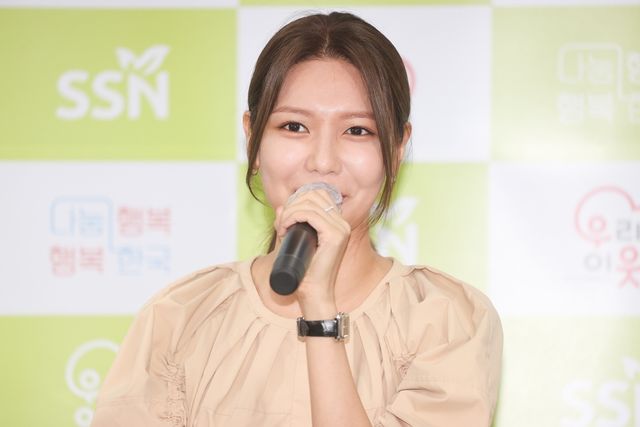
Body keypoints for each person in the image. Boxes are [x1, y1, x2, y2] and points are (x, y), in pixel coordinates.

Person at [91, 11, 502, 427]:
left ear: (396, 149)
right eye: (294, 126)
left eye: (357, 130)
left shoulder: (446, 321)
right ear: (253, 139)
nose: (322, 161)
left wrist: (319, 308)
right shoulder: (181, 316)